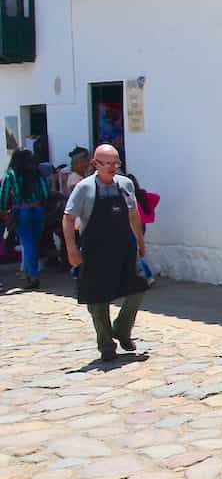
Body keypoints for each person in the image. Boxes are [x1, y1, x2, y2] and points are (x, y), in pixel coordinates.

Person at [63, 145, 147, 362]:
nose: (112, 167)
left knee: (138, 287)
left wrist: (140, 240)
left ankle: (121, 329)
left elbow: (134, 214)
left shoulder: (125, 184)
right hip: (95, 250)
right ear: (95, 164)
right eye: (107, 163)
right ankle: (106, 343)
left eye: (115, 163)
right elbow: (68, 218)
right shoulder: (84, 188)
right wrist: (71, 248)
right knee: (97, 298)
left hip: (124, 247)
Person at [0, 148, 48, 289]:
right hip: (38, 209)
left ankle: (32, 276)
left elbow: (3, 194)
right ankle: (28, 273)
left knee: (28, 244)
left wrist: (3, 210)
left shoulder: (12, 175)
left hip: (21, 211)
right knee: (34, 242)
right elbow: (45, 191)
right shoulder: (37, 174)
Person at [125, 171, 160, 283]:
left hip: (132, 226)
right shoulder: (141, 195)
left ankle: (147, 276)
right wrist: (149, 211)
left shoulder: (128, 198)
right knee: (134, 252)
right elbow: (156, 197)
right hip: (142, 225)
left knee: (134, 253)